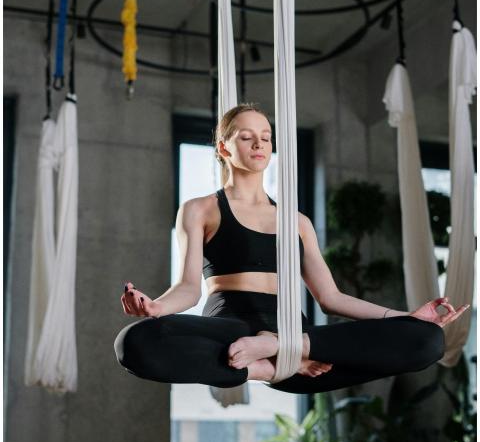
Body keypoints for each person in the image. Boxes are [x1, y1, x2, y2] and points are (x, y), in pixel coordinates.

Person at [114, 102, 469, 393]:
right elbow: (190, 289)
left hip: (295, 338)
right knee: (133, 344)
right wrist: (156, 307)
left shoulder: (296, 222)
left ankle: (282, 350)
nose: (259, 145)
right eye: (247, 137)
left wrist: (407, 317)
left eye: (266, 138)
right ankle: (263, 369)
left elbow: (332, 298)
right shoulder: (200, 209)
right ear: (224, 147)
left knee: (428, 341)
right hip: (231, 331)